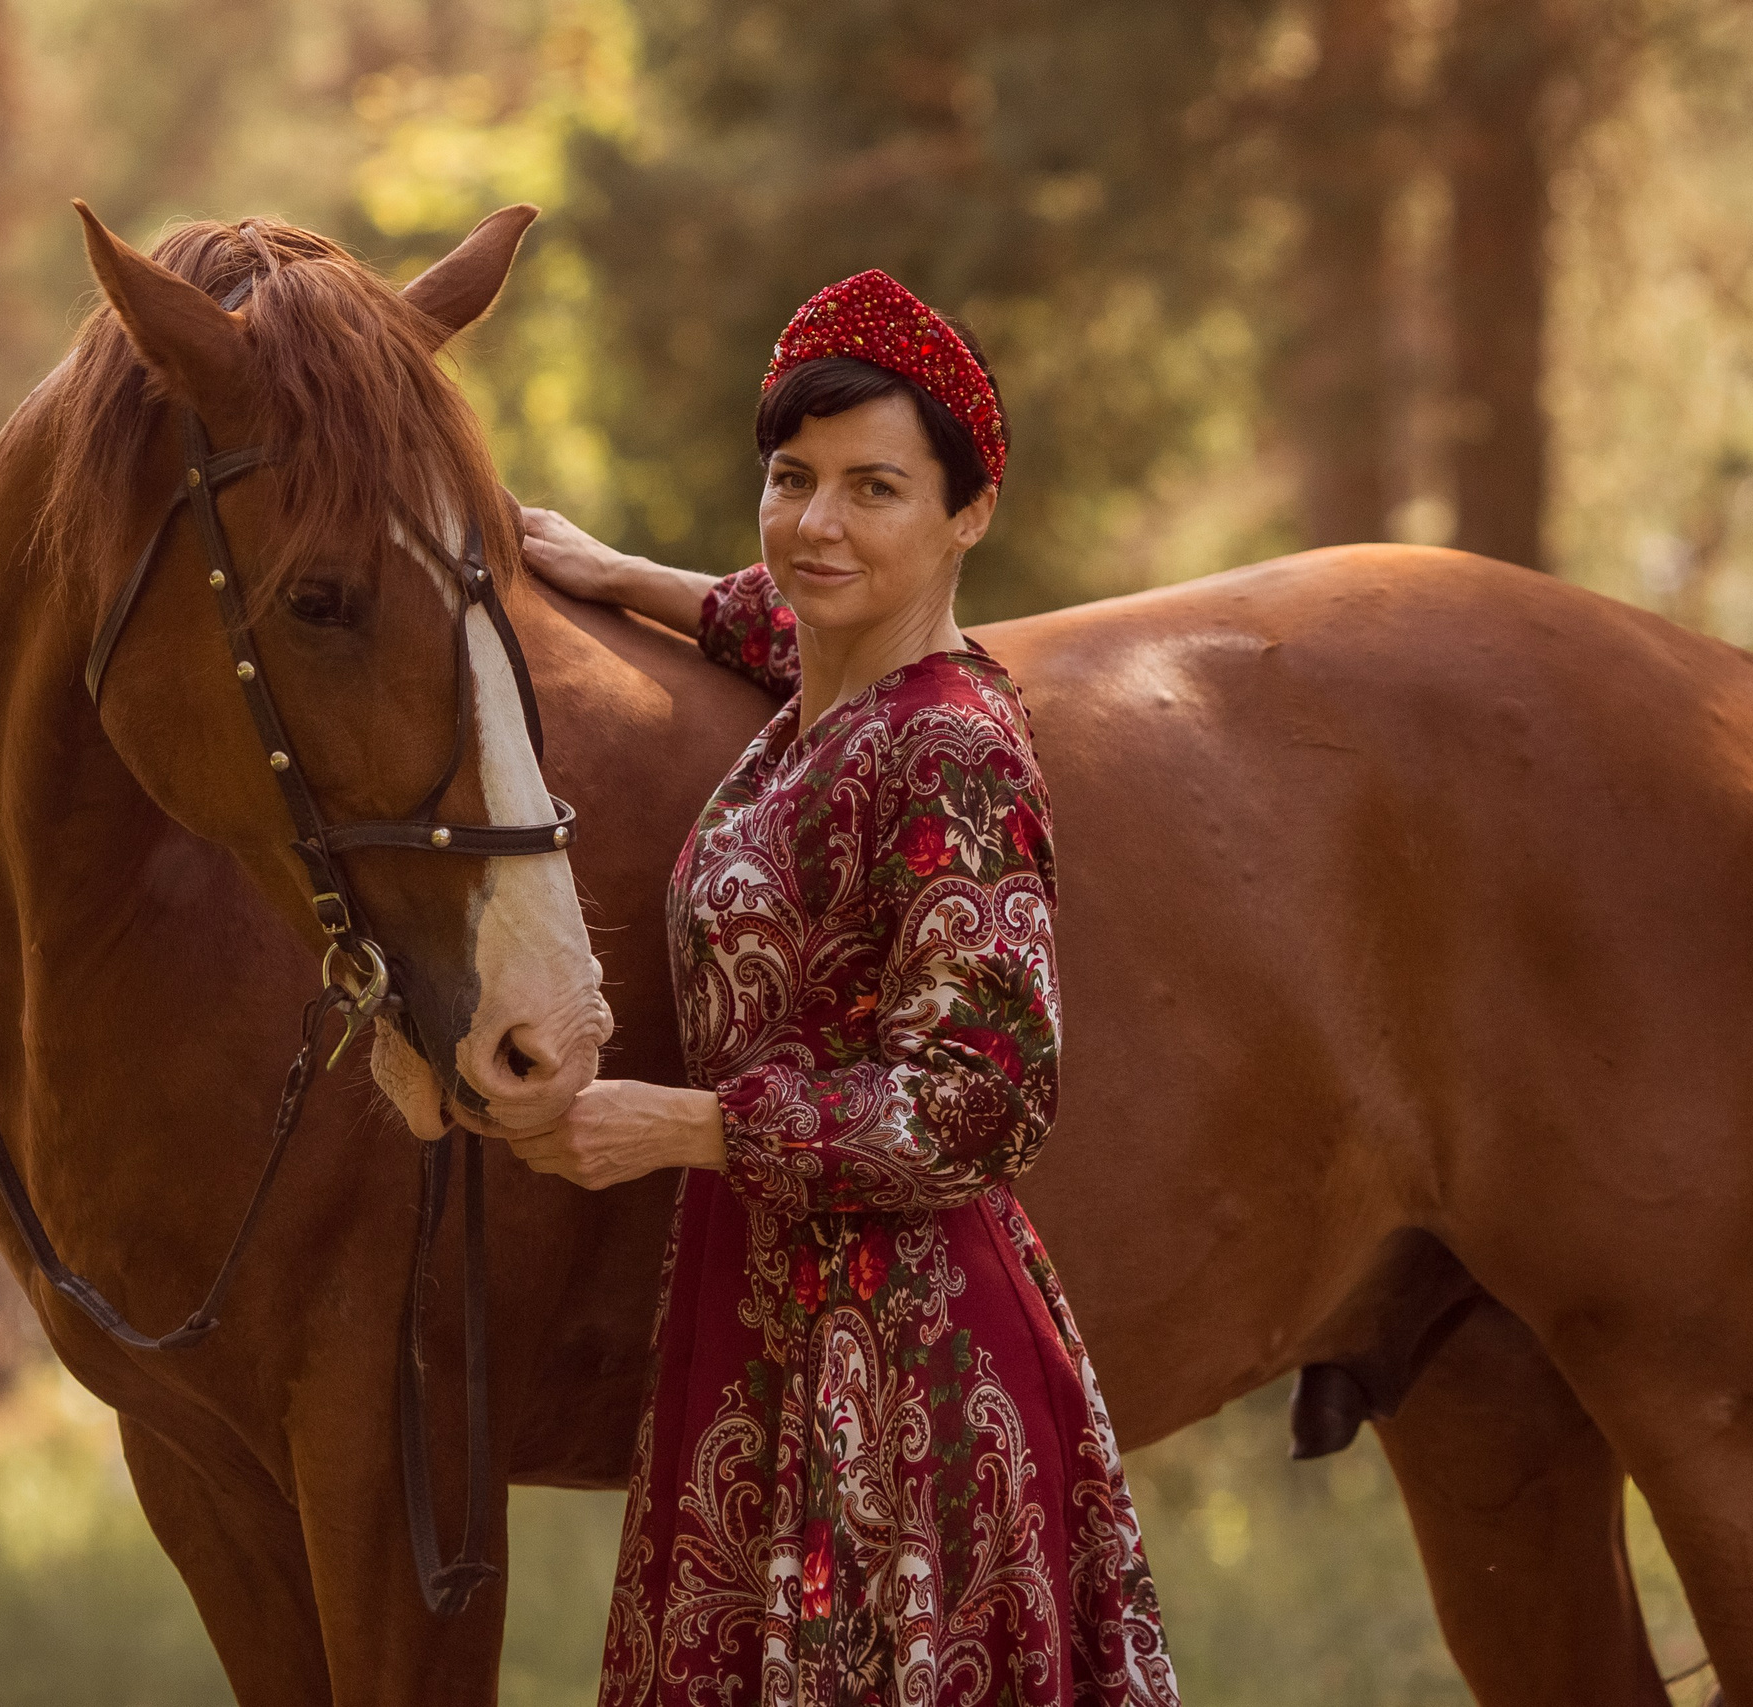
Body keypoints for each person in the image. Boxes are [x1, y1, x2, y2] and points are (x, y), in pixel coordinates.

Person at [505, 271, 1177, 1706]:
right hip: (762, 1336)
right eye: (791, 478)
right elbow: (785, 609)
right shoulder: (838, 690)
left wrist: (685, 1129)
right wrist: (627, 580)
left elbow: (981, 1105)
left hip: (911, 1377)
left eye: (877, 489)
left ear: (967, 514)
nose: (818, 525)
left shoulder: (953, 752)